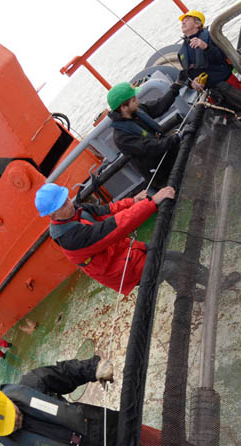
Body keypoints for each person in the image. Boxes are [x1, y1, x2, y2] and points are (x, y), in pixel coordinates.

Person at [34, 183, 176, 295]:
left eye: (66, 199)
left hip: (125, 251)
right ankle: (191, 296)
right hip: (121, 269)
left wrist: (132, 201)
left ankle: (189, 292)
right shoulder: (71, 238)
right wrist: (151, 203)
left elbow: (106, 211)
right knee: (171, 268)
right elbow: (114, 227)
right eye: (63, 205)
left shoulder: (74, 211)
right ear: (52, 215)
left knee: (174, 257)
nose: (70, 204)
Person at [106, 81, 185, 187]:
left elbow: (159, 106)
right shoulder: (121, 137)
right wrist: (175, 138)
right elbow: (149, 147)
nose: (137, 101)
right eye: (134, 100)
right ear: (123, 108)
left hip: (170, 156)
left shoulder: (138, 111)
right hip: (162, 175)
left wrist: (176, 87)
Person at [177, 10, 238, 89]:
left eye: (187, 19)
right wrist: (191, 84)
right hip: (209, 92)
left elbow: (225, 58)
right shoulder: (181, 52)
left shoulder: (212, 36)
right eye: (182, 21)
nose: (183, 22)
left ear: (197, 24)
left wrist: (206, 47)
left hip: (227, 83)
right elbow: (186, 75)